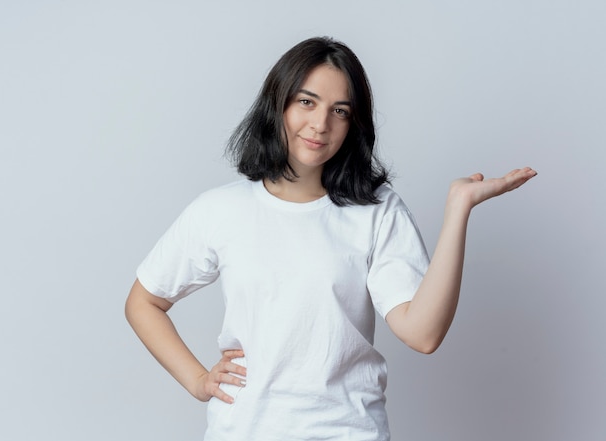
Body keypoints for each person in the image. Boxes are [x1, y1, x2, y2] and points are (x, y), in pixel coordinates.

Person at [125, 36, 537, 441]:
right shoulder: (220, 210)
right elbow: (143, 302)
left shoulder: (376, 210)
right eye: (307, 102)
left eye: (340, 110)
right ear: (278, 104)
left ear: (353, 124)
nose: (320, 124)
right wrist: (198, 380)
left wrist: (458, 209)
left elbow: (423, 333)